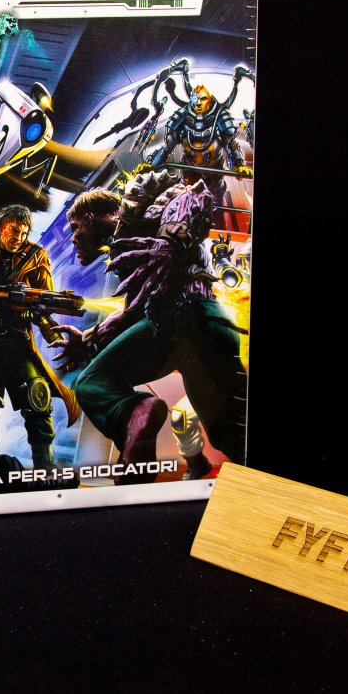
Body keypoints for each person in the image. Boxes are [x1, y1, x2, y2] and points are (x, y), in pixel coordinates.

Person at [51, 173, 247, 481]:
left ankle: (136, 413)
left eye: (76, 228)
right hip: (197, 328)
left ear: (89, 218)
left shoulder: (139, 203)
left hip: (183, 320)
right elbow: (133, 312)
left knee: (93, 383)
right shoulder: (125, 249)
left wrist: (170, 238)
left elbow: (195, 194)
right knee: (231, 436)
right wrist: (90, 339)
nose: (75, 238)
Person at [0, 205, 78, 469]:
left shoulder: (36, 256)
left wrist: (37, 316)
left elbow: (44, 299)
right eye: (14, 230)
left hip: (19, 344)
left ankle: (45, 467)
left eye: (24, 233)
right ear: (1, 226)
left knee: (37, 400)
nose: (18, 237)